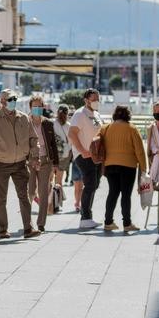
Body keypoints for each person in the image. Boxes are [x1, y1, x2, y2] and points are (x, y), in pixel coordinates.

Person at [0, 89, 41, 239]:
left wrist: (34, 157)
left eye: (15, 99)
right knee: (0, 199)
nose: (13, 102)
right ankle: (3, 230)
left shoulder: (24, 118)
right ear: (2, 102)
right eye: (10, 99)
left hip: (20, 163)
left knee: (24, 196)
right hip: (1, 164)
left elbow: (33, 139)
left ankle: (28, 228)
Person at [102, 106, 147, 232]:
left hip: (110, 165)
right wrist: (144, 168)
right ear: (128, 115)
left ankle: (108, 222)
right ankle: (127, 224)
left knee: (113, 192)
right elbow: (139, 151)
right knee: (126, 195)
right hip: (128, 165)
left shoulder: (106, 128)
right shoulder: (132, 129)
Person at [68, 88, 104, 229]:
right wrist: (82, 150)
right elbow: (72, 133)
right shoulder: (80, 114)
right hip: (84, 155)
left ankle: (87, 216)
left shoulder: (96, 114)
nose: (96, 102)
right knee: (89, 184)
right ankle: (85, 217)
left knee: (94, 184)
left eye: (97, 99)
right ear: (86, 100)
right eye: (93, 99)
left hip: (95, 155)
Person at [27, 95, 60, 231]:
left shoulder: (48, 123)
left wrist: (56, 163)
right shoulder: (25, 122)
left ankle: (41, 223)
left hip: (46, 161)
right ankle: (27, 221)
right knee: (30, 192)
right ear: (30, 107)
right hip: (30, 161)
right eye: (35, 106)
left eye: (40, 106)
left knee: (44, 192)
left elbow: (53, 144)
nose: (38, 109)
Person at [53, 104, 72, 186]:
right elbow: (70, 142)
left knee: (51, 180)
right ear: (67, 113)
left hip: (53, 155)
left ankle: (51, 197)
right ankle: (58, 197)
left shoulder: (52, 123)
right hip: (64, 154)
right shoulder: (68, 125)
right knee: (59, 181)